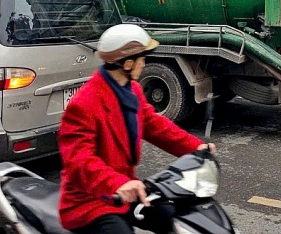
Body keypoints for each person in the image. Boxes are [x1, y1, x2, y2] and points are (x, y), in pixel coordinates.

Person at [58, 25, 214, 234]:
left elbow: (155, 126)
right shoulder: (84, 104)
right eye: (143, 57)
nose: (145, 62)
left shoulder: (132, 90)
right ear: (127, 63)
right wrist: (117, 183)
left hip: (127, 189)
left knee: (173, 214)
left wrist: (196, 148)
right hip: (92, 199)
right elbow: (79, 160)